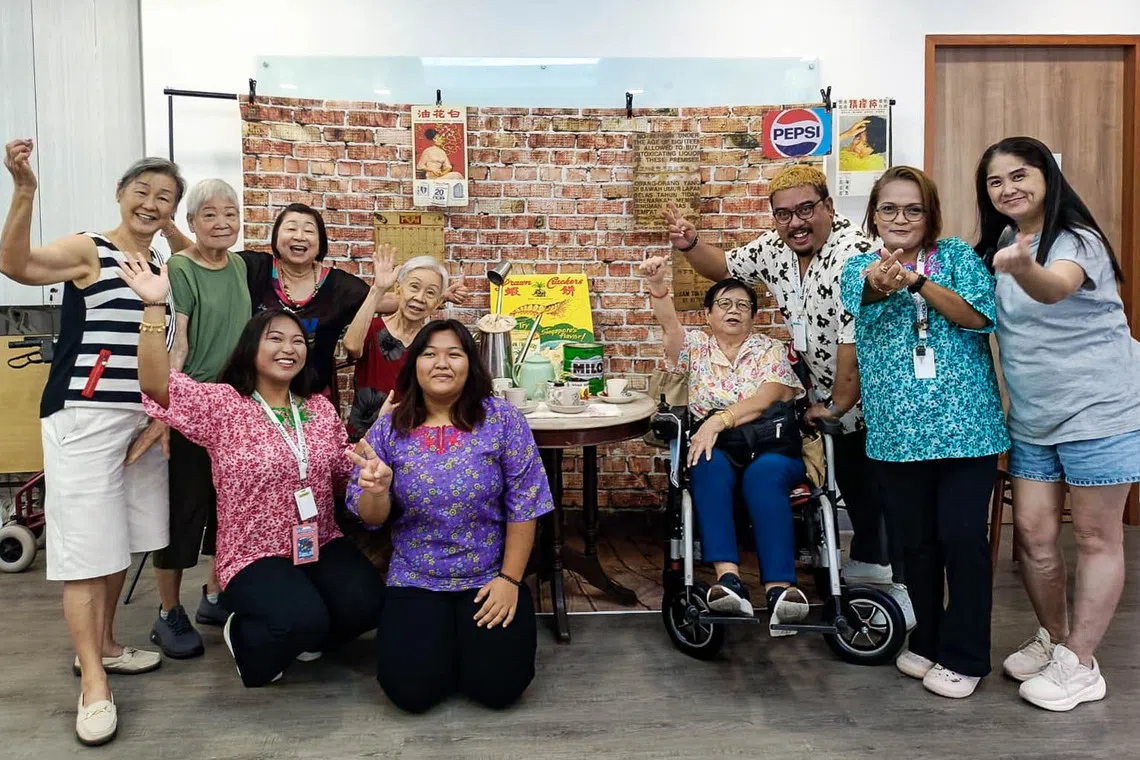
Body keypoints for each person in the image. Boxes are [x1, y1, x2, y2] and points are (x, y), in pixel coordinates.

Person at [119, 253, 384, 688]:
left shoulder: (317, 409)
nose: (288, 348)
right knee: (305, 622)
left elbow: (342, 472)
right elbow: (156, 385)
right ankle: (243, 635)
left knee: (368, 604)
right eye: (275, 339)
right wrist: (153, 307)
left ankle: (302, 621)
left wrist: (370, 468)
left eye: (298, 341)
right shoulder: (224, 405)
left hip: (317, 543)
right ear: (251, 348)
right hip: (252, 553)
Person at [660, 164, 909, 621]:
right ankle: (861, 571)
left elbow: (854, 340)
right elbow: (725, 267)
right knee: (852, 481)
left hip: (873, 392)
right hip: (826, 397)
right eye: (783, 214)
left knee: (885, 490)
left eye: (806, 210)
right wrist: (691, 244)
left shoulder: (854, 254)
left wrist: (836, 403)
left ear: (828, 207)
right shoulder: (775, 250)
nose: (795, 222)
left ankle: (898, 590)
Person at [1, 140, 181, 746]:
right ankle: (94, 685)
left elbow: (168, 349)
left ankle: (103, 646)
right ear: (120, 194)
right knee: (82, 550)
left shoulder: (159, 266)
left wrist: (165, 414)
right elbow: (18, 265)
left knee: (121, 542)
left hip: (142, 420)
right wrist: (25, 189)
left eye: (164, 197)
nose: (151, 203)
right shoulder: (90, 250)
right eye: (142, 191)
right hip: (85, 414)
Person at [976, 137, 1140, 711]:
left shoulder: (1078, 241)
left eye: (1019, 176)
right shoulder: (1000, 240)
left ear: (1047, 176)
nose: (1008, 189)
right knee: (1036, 537)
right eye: (996, 182)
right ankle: (1056, 640)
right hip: (1034, 417)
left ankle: (1084, 664)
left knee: (1096, 537)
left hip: (1100, 410)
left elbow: (1055, 289)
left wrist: (1024, 268)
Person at [840, 165, 1009, 699]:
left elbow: (980, 317)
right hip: (896, 434)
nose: (900, 218)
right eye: (889, 208)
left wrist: (917, 281)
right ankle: (930, 642)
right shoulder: (857, 267)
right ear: (873, 215)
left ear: (930, 214)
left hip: (967, 431)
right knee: (915, 545)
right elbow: (862, 296)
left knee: (962, 539)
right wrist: (881, 282)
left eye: (913, 209)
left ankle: (966, 657)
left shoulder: (958, 257)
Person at [346, 319, 553, 713]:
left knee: (499, 690)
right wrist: (376, 490)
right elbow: (372, 517)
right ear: (414, 366)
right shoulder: (389, 428)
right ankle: (447, 644)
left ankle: (463, 644)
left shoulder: (503, 421)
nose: (442, 363)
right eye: (429, 354)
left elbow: (526, 504)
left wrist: (510, 580)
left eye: (454, 354)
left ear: (471, 365)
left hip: (489, 576)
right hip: (416, 577)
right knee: (411, 694)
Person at [638, 259, 812, 634]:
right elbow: (670, 329)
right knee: (706, 464)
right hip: (715, 445)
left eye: (742, 305)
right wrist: (657, 285)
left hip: (771, 445)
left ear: (753, 316)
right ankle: (728, 581)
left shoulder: (769, 348)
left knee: (764, 477)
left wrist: (719, 420)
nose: (734, 311)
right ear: (708, 313)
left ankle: (781, 590)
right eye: (724, 304)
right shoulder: (697, 348)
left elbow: (770, 395)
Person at [149, 179, 250, 660]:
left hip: (235, 406)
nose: (222, 222)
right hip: (193, 404)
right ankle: (168, 611)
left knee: (228, 506)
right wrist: (167, 411)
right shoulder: (179, 268)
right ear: (191, 223)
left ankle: (214, 596)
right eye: (209, 214)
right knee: (183, 510)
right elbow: (179, 341)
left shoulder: (239, 266)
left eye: (229, 213)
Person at [343, 253, 448, 438]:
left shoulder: (433, 342)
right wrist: (378, 289)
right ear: (399, 289)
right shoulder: (373, 328)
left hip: (415, 439)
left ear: (437, 303)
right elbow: (351, 346)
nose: (420, 297)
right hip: (366, 437)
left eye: (431, 293)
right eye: (414, 287)